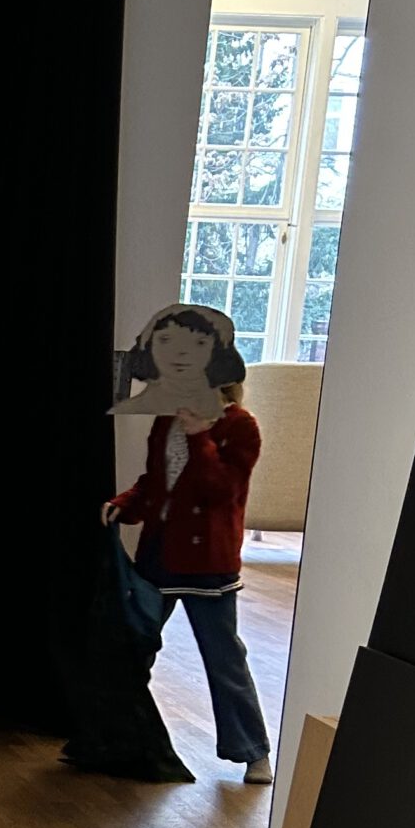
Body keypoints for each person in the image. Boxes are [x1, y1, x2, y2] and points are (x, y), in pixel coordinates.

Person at [105, 305, 272, 784]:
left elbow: (220, 490)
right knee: (133, 649)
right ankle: (122, 741)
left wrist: (201, 437)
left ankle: (254, 751)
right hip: (159, 557)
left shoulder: (240, 426)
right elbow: (156, 482)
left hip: (208, 565)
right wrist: (124, 504)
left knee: (223, 659)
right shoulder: (166, 422)